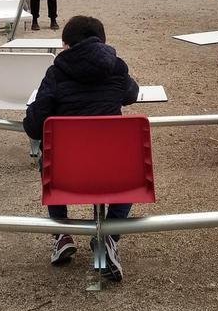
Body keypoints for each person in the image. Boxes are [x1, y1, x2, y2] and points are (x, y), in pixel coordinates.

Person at [23, 15, 139, 281]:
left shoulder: (56, 73)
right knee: (131, 162)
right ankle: (108, 235)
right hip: (115, 171)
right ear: (102, 41)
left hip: (66, 174)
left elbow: (34, 126)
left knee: (48, 155)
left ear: (66, 45)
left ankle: (62, 233)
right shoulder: (117, 68)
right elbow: (132, 94)